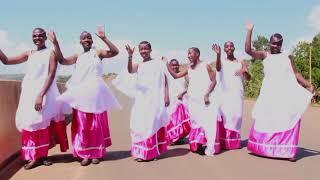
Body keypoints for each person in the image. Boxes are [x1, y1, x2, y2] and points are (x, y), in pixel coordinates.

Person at [50, 25, 121, 166]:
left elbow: (115, 52)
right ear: (80, 41)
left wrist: (104, 38)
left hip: (96, 94)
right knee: (82, 125)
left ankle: (96, 153)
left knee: (95, 125)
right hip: (81, 95)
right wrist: (56, 43)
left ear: (92, 41)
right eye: (84, 38)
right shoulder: (78, 56)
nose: (87, 39)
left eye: (89, 37)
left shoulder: (98, 52)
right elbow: (62, 61)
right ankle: (84, 154)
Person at [0, 28, 69, 169]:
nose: (37, 38)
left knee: (41, 123)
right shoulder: (29, 53)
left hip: (44, 93)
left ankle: (42, 156)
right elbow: (6, 61)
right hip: (29, 93)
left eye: (40, 35)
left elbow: (51, 74)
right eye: (34, 36)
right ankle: (33, 156)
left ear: (44, 37)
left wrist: (41, 95)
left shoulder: (51, 52)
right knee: (30, 123)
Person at [245, 22, 314, 161]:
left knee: (286, 119)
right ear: (269, 43)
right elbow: (248, 50)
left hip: (284, 94)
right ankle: (262, 148)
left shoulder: (287, 56)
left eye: (278, 44)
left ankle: (287, 151)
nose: (275, 46)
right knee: (267, 120)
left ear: (282, 44)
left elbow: (296, 74)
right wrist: (250, 31)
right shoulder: (265, 55)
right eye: (273, 43)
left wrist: (309, 85)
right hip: (268, 94)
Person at [114, 41, 169, 162]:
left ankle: (152, 152)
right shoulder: (138, 65)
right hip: (141, 100)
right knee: (139, 124)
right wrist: (130, 56)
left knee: (152, 125)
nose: (144, 51)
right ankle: (141, 152)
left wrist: (166, 96)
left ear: (150, 49)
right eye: (141, 49)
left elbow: (165, 80)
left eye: (146, 49)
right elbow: (129, 70)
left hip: (155, 99)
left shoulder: (158, 63)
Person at [164, 47, 221, 156]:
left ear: (197, 54)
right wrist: (167, 64)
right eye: (188, 54)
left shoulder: (206, 65)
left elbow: (214, 81)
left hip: (205, 100)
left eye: (190, 53)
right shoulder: (189, 68)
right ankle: (198, 144)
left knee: (207, 123)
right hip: (193, 101)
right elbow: (176, 76)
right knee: (196, 122)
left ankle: (208, 146)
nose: (188, 55)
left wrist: (207, 94)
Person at [212, 42, 251, 150]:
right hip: (224, 94)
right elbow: (219, 69)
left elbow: (248, 78)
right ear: (224, 49)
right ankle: (225, 142)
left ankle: (233, 141)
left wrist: (244, 71)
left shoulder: (241, 61)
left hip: (237, 93)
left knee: (237, 116)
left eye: (231, 46)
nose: (229, 48)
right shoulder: (221, 61)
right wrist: (218, 55)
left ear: (234, 48)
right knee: (225, 116)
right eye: (226, 46)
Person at [166, 59, 191, 145]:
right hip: (171, 99)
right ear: (169, 66)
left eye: (176, 65)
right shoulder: (167, 75)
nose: (175, 67)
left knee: (182, 120)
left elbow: (192, 84)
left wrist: (183, 93)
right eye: (172, 65)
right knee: (171, 120)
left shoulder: (183, 74)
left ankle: (179, 137)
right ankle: (172, 138)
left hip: (182, 99)